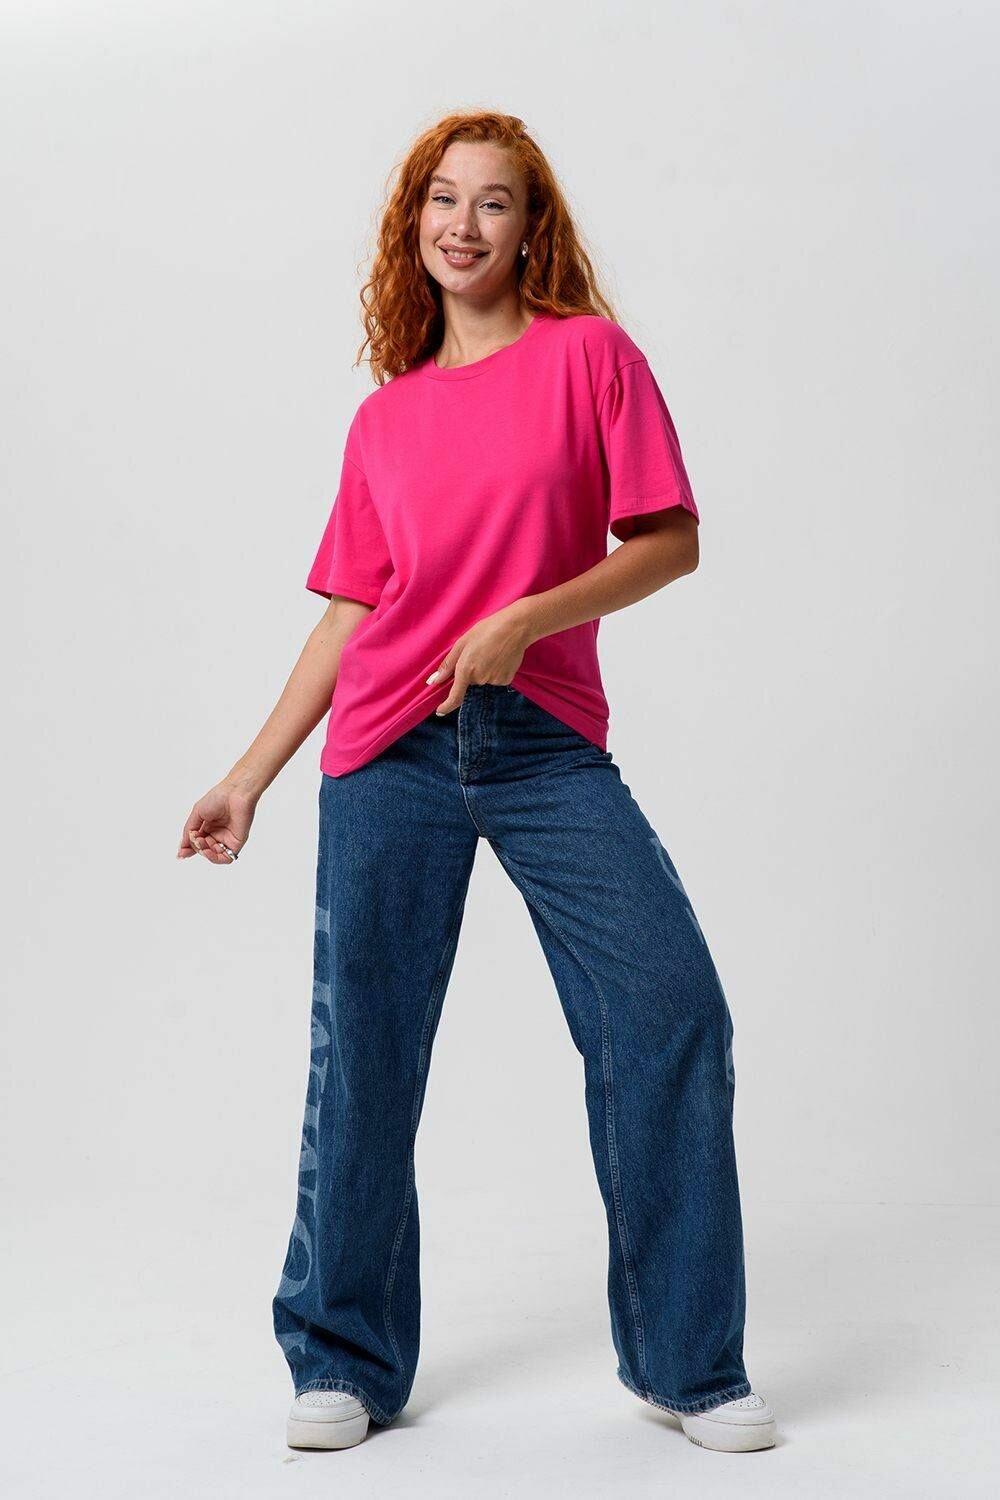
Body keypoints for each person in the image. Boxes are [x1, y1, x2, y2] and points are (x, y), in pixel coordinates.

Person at [177, 110, 777, 1456]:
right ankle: (342, 1355)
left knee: (669, 1009)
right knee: (365, 1054)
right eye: (441, 199)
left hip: (543, 742)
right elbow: (349, 615)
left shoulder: (590, 359)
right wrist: (247, 778)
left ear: (529, 228)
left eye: (493, 202)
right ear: (415, 225)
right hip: (386, 754)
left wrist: (525, 622)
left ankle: (688, 1363)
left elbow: (669, 541)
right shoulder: (385, 418)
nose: (463, 223)